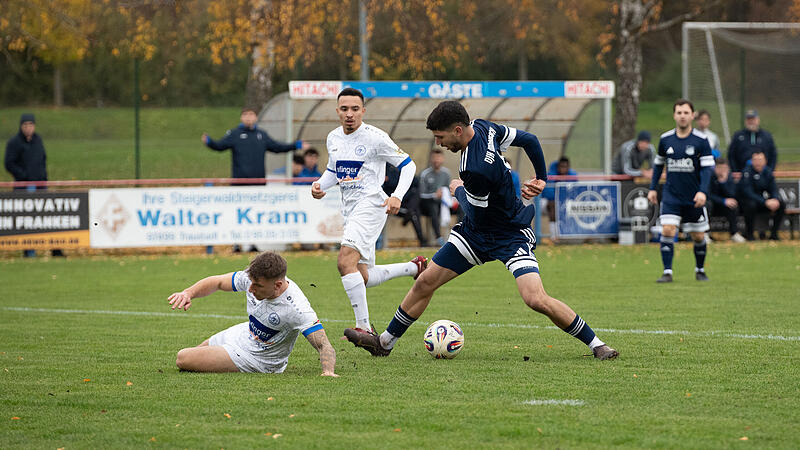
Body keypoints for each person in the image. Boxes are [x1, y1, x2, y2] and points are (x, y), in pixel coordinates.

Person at [343, 100, 619, 361]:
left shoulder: (473, 169)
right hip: (474, 235)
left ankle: (597, 345)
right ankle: (384, 343)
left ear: (457, 130)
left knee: (535, 298)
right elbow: (530, 140)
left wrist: (457, 190)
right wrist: (541, 178)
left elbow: (473, 209)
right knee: (425, 282)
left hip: (510, 234)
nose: (438, 144)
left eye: (440, 137)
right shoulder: (484, 127)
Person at [311, 88, 428, 333]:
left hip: (372, 204)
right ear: (337, 111)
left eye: (355, 109)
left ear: (363, 111)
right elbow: (334, 170)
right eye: (345, 109)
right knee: (362, 275)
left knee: (345, 261)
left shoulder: (375, 137)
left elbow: (408, 165)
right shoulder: (333, 138)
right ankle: (413, 267)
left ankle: (363, 328)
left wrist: (397, 195)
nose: (349, 114)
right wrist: (320, 185)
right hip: (350, 209)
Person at [166, 251, 337, 376]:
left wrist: (328, 372)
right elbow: (218, 282)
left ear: (277, 285)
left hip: (256, 359)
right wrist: (188, 293)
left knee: (183, 358)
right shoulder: (253, 278)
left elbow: (324, 345)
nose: (250, 289)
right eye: (251, 282)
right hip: (243, 334)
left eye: (258, 286)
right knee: (195, 352)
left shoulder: (297, 308)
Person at [202, 107, 309, 252]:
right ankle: (237, 244)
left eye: (251, 115)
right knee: (238, 215)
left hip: (258, 185)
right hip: (240, 184)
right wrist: (209, 142)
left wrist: (295, 145)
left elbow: (277, 147)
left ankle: (251, 244)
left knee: (254, 215)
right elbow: (220, 146)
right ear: (241, 118)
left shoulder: (261, 135)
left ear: (256, 118)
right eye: (245, 115)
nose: (248, 117)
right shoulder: (234, 134)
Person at [647, 99, 715, 283]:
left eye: (686, 113)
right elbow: (658, 165)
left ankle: (700, 270)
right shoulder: (665, 139)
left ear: (692, 116)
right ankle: (667, 272)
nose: (682, 116)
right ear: (674, 115)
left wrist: (702, 192)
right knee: (668, 230)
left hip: (693, 196)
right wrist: (653, 188)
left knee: (698, 236)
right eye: (679, 113)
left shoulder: (701, 140)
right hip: (672, 195)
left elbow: (707, 170)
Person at [4, 113, 63, 257]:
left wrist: (43, 177)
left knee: (47, 217)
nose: (28, 128)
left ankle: (55, 250)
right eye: (25, 125)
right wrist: (24, 176)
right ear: (21, 126)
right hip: (25, 186)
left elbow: (42, 159)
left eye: (31, 125)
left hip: (41, 184)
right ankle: (29, 252)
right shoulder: (14, 143)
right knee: (27, 219)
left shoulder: (38, 140)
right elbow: (9, 163)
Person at [737, 150, 785, 241]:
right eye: (755, 160)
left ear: (765, 161)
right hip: (748, 202)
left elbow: (773, 188)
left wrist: (774, 199)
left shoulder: (767, 172)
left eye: (760, 160)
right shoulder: (747, 172)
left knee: (781, 204)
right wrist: (765, 202)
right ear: (752, 161)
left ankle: (773, 234)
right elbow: (748, 193)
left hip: (762, 202)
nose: (758, 162)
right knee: (750, 205)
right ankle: (749, 234)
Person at [419, 148, 452, 246]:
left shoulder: (446, 174)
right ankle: (438, 238)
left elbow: (449, 191)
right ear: (431, 159)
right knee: (433, 207)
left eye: (439, 158)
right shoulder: (425, 174)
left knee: (461, 207)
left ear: (443, 159)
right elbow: (421, 194)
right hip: (427, 204)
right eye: (434, 158)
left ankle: (462, 235)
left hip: (443, 203)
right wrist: (434, 195)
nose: (436, 160)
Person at [708, 158, 746, 242]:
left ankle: (734, 233)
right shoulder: (710, 176)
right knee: (708, 205)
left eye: (725, 168)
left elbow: (732, 194)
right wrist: (723, 201)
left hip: (724, 206)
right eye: (719, 168)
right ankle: (706, 234)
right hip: (713, 204)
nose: (722, 170)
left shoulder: (729, 178)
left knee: (733, 204)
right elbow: (709, 195)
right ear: (715, 168)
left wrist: (723, 182)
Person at [541, 157, 578, 238]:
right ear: (558, 167)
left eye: (565, 167)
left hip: (565, 202)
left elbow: (575, 193)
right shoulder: (551, 175)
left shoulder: (572, 176)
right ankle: (554, 235)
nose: (563, 169)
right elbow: (548, 194)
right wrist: (560, 199)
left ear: (568, 167)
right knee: (553, 205)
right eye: (561, 166)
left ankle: (570, 235)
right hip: (545, 202)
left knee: (571, 206)